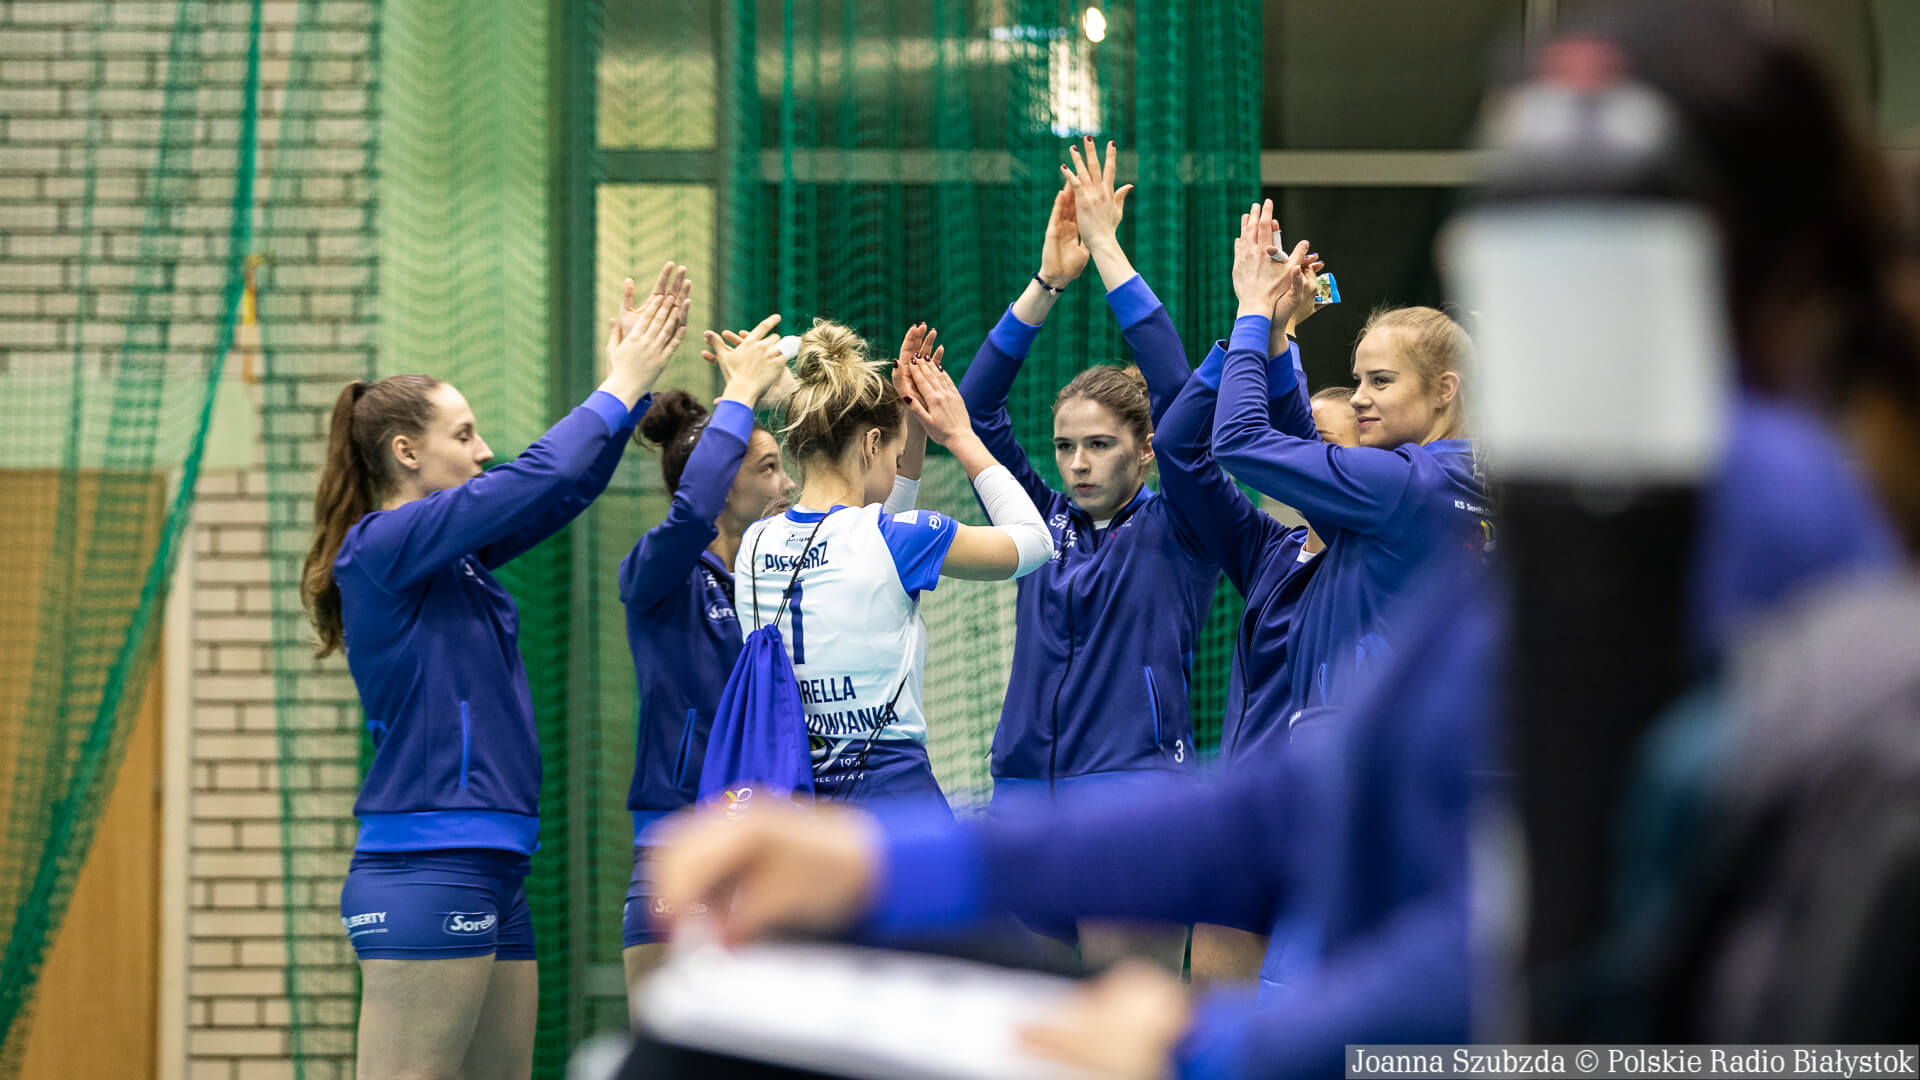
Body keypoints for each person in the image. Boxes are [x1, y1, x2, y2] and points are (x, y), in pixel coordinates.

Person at [302, 265, 689, 1079]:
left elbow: (561, 492)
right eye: (465, 434)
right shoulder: (380, 546)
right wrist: (618, 385)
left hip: (495, 862)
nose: (483, 451)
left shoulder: (457, 557)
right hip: (427, 863)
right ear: (407, 452)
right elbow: (536, 474)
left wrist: (627, 396)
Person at [616, 318, 943, 997]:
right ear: (718, 482)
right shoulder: (659, 575)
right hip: (682, 839)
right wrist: (741, 395)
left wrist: (890, 420)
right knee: (679, 1046)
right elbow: (688, 517)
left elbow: (870, 511)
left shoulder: (774, 574)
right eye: (767, 467)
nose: (788, 483)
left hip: (769, 835)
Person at [730, 319, 1055, 805]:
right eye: (895, 453)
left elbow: (874, 552)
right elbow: (1035, 542)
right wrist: (960, 436)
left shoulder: (755, 543)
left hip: (795, 804)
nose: (899, 464)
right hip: (889, 795)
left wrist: (912, 430)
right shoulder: (896, 540)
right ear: (870, 445)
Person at [1213, 210, 1491, 725]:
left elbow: (1238, 438)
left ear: (1444, 390)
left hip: (1365, 753)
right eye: (1358, 380)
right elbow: (1304, 449)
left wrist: (1251, 309)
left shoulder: (1401, 484)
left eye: (1380, 381)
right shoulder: (1445, 483)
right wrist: (1280, 334)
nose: (1359, 398)